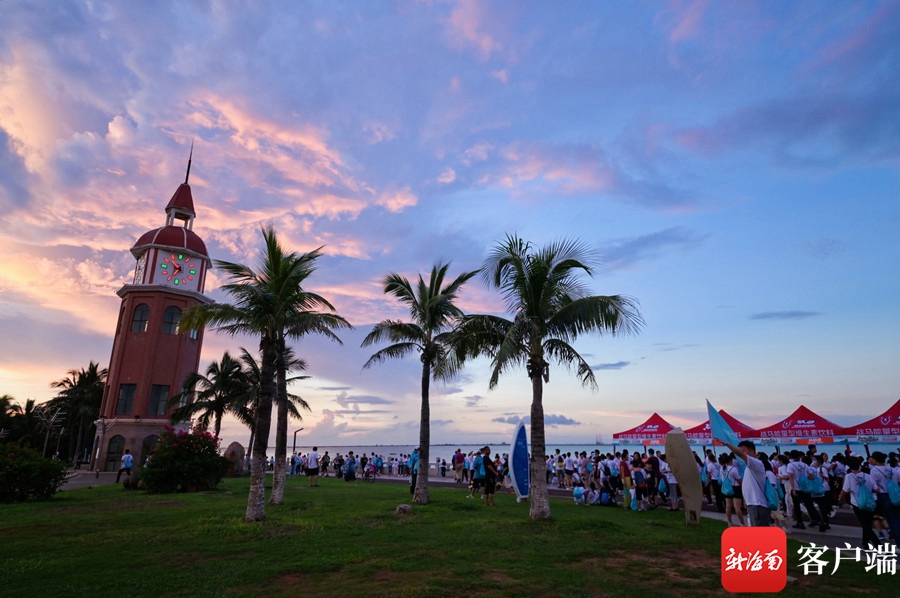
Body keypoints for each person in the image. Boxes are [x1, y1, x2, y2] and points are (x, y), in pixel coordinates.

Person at [721, 439, 770, 527]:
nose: (740, 454)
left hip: (757, 505)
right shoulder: (749, 466)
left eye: (743, 451)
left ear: (752, 451)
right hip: (753, 504)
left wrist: (726, 443)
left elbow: (739, 454)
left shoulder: (756, 463)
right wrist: (746, 501)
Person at [839, 456, 880, 547]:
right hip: (870, 502)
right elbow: (876, 489)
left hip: (857, 503)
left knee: (865, 525)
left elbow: (845, 490)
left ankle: (878, 545)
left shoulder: (849, 476)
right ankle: (865, 543)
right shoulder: (867, 476)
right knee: (867, 524)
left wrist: (840, 498)